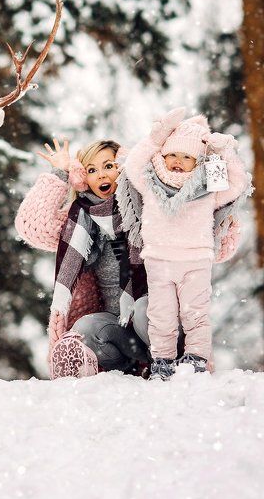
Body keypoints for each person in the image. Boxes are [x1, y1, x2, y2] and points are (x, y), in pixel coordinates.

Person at [15, 137, 163, 378]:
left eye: (108, 166)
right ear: (83, 178)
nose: (101, 175)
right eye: (92, 170)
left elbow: (201, 240)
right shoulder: (81, 222)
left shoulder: (150, 210)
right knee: (83, 330)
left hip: (158, 323)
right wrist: (61, 173)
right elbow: (31, 225)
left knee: (144, 307)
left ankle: (168, 366)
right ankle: (121, 374)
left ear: (123, 168)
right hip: (118, 330)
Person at [120, 108, 251, 380]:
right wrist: (156, 138)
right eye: (172, 155)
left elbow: (237, 183)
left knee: (196, 315)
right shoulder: (151, 184)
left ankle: (196, 360)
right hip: (159, 260)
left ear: (198, 161)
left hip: (195, 261)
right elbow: (132, 165)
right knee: (161, 316)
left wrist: (222, 152)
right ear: (162, 156)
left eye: (187, 157)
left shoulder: (208, 188)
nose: (178, 161)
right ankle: (162, 362)